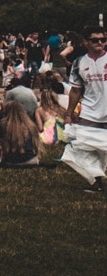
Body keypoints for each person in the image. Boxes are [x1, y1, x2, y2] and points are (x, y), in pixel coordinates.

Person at [60, 28, 107, 191]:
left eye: (103, 39)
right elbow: (75, 90)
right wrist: (69, 114)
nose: (100, 42)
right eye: (95, 40)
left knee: (104, 151)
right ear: (86, 42)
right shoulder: (79, 63)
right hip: (89, 112)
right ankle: (96, 181)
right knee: (79, 148)